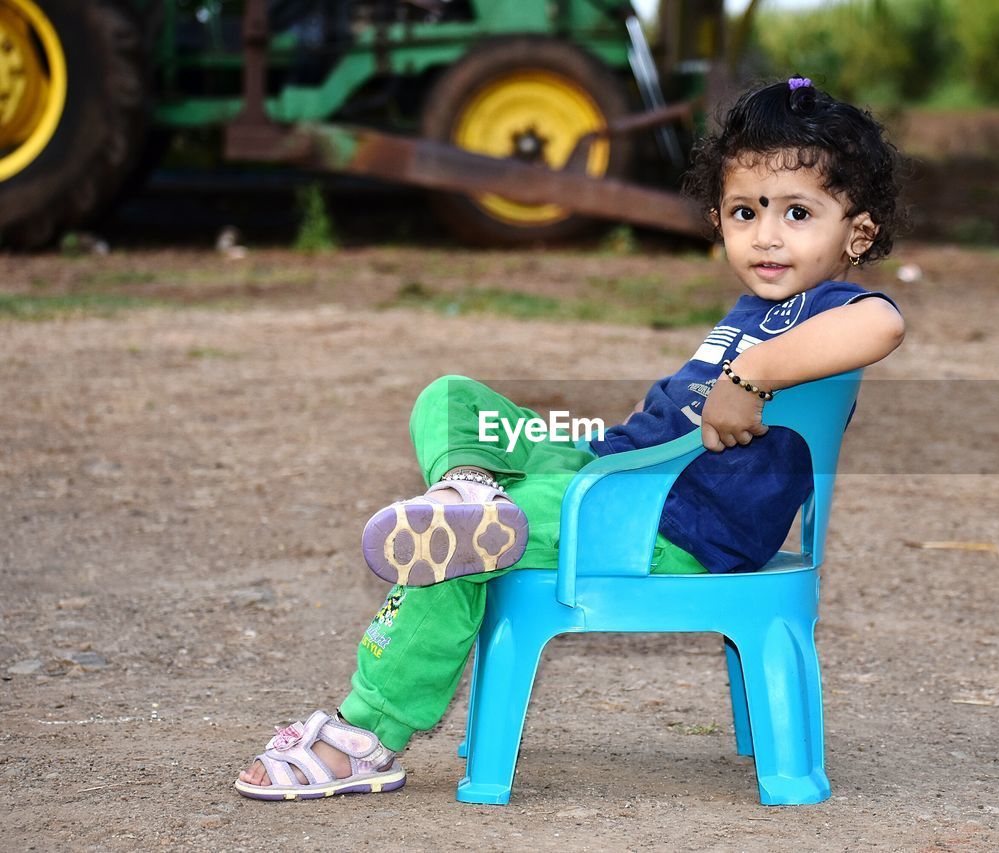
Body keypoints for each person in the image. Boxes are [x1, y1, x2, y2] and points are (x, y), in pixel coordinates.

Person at [234, 76, 907, 800]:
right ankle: (471, 485)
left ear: (857, 233)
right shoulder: (756, 305)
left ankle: (366, 732)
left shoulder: (832, 308)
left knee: (451, 547)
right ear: (718, 217)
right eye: (746, 211)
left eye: (798, 213)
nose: (767, 235)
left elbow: (882, 325)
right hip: (607, 470)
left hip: (665, 521)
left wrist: (753, 374)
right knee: (453, 397)